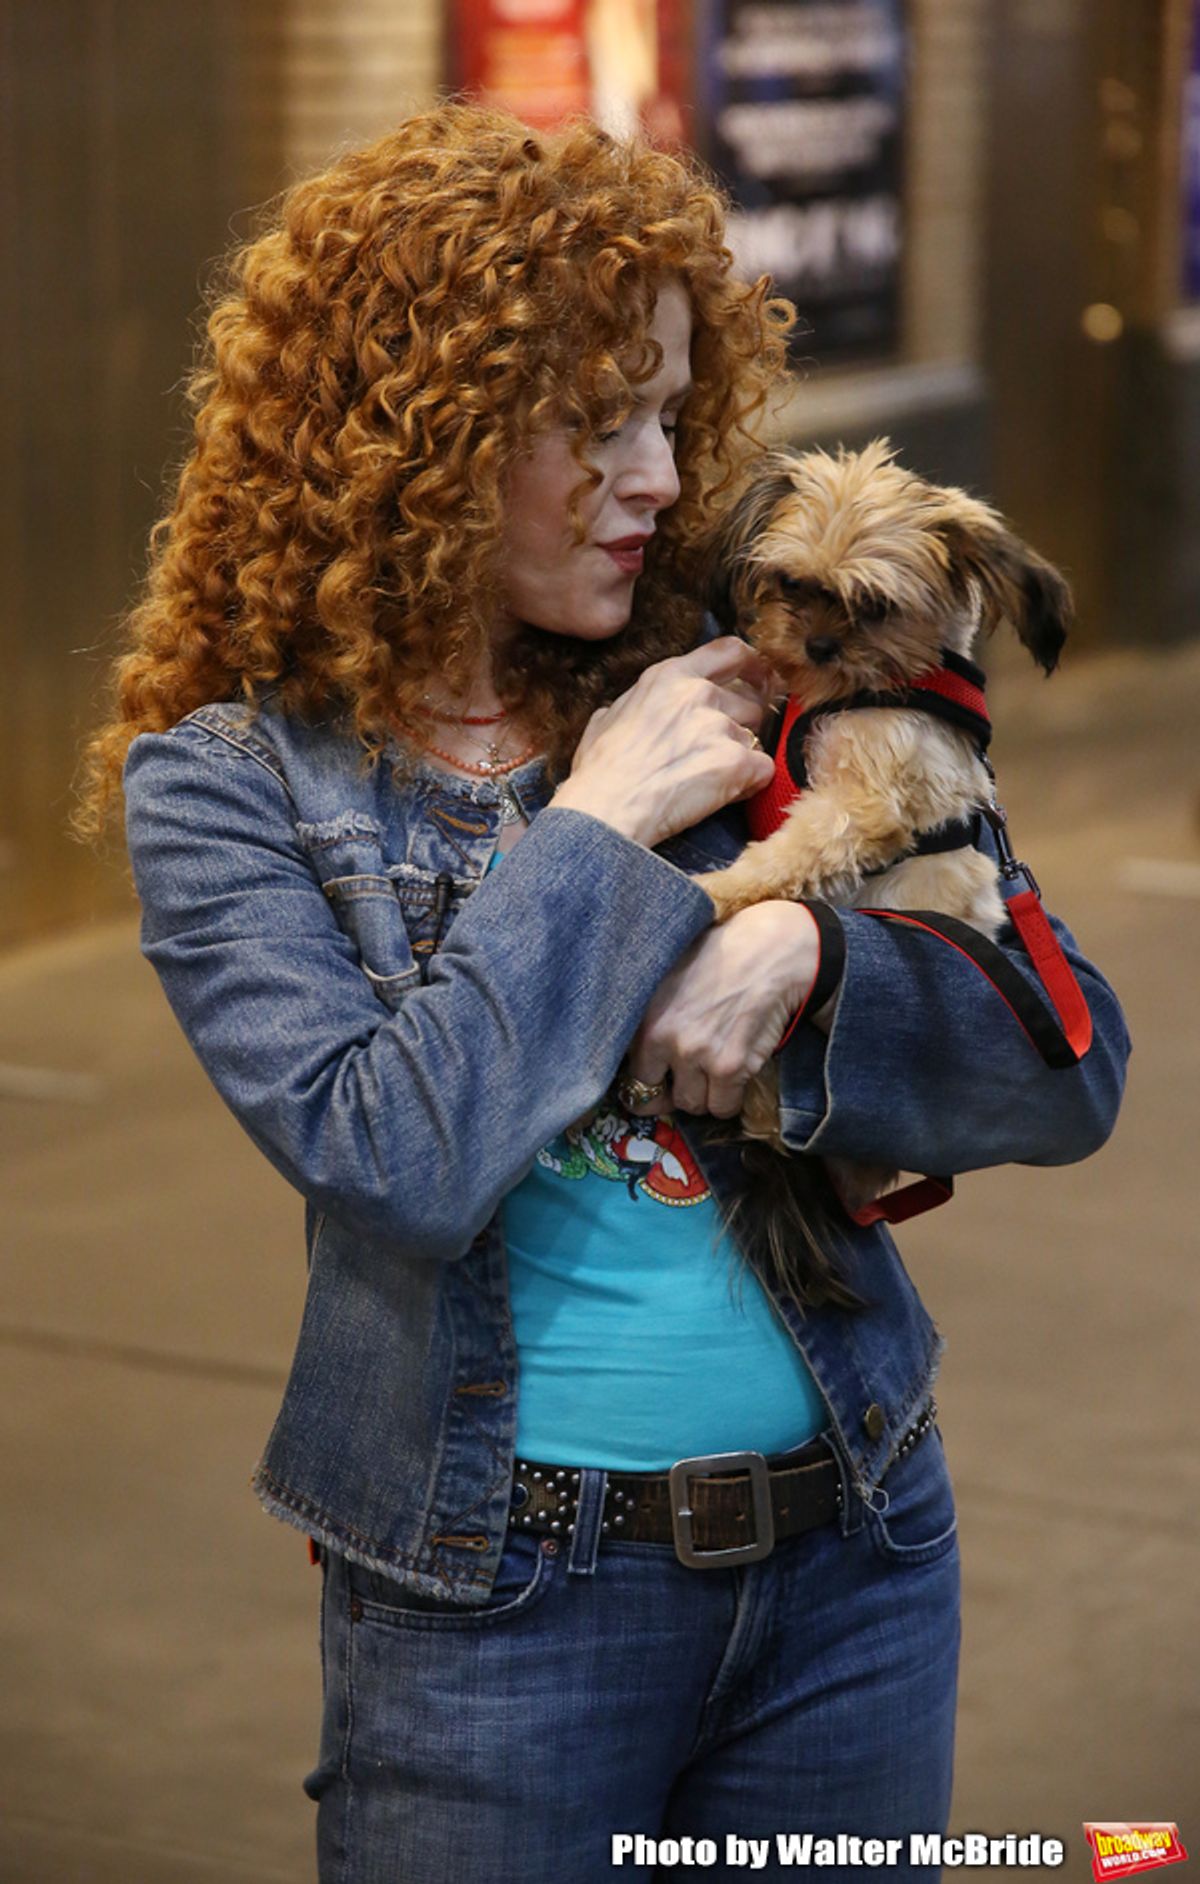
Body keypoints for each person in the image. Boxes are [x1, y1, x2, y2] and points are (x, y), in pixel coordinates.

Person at [75, 104, 1129, 1883]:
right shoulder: (236, 786)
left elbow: (1066, 1068)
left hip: (859, 1554)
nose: (661, 477)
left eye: (665, 412)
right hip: (498, 1606)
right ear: (418, 441)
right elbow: (397, 1156)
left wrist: (813, 953)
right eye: (593, 423)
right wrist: (601, 820)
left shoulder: (749, 675)